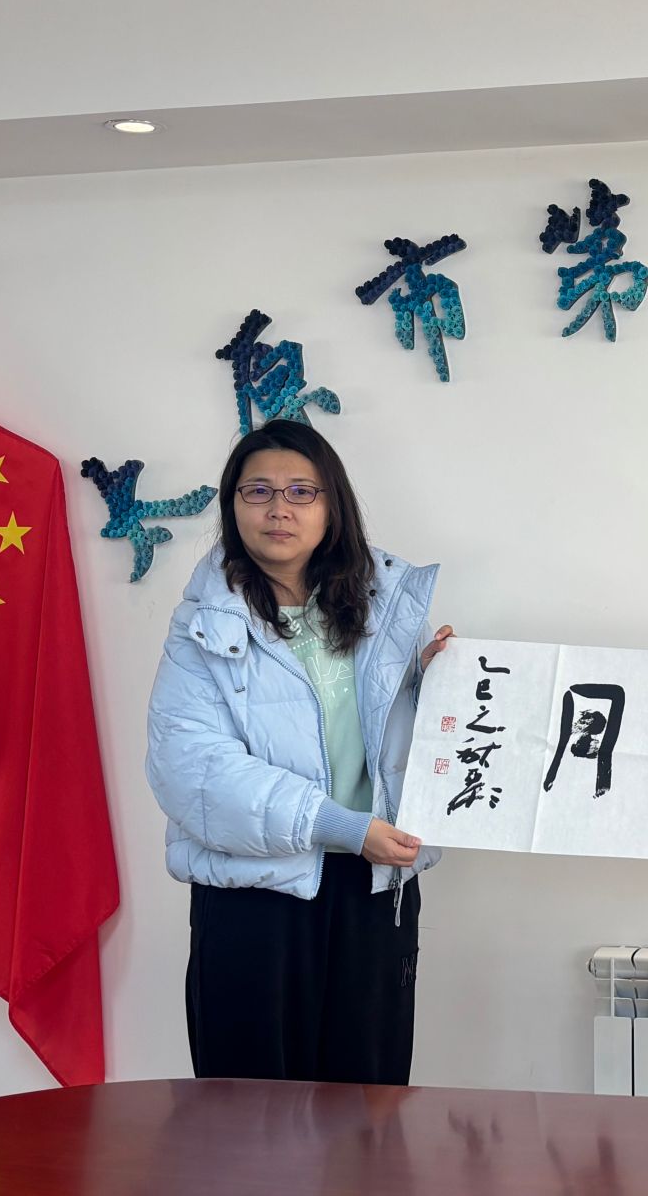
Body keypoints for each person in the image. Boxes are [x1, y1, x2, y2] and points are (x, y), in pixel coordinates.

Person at [147, 418, 452, 1084]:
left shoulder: (386, 612)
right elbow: (190, 768)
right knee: (250, 1112)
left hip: (374, 887)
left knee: (368, 1105)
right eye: (257, 491)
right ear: (232, 507)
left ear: (331, 505)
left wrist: (437, 687)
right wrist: (338, 824)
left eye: (300, 491)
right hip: (254, 894)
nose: (278, 508)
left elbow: (406, 744)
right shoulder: (203, 624)